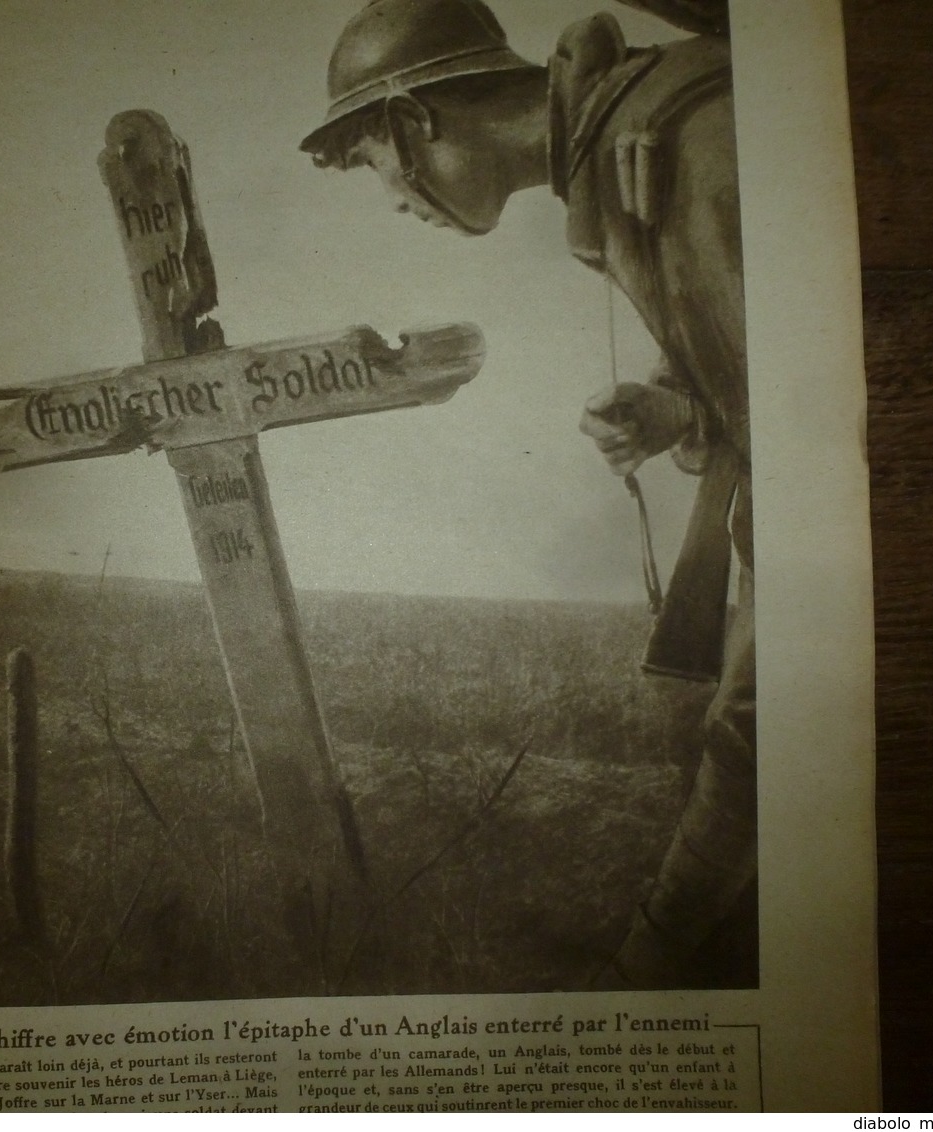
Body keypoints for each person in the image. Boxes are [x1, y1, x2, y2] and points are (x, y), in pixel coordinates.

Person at [301, 0, 752, 988]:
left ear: (418, 122)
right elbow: (752, 352)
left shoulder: (674, 136)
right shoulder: (627, 142)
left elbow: (805, 405)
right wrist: (676, 405)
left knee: (752, 736)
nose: (391, 200)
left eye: (373, 160)